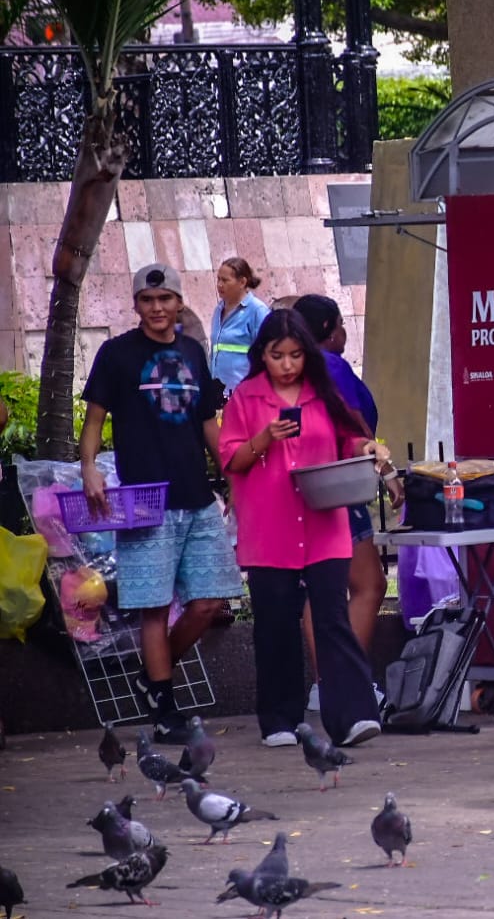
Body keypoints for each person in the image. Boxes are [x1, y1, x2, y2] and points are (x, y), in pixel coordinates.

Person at [80, 263, 241, 743]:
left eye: (165, 299)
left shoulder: (194, 351)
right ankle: (164, 705)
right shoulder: (115, 354)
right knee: (153, 608)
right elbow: (93, 420)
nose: (156, 309)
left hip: (196, 496)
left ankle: (153, 677)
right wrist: (89, 467)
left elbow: (209, 422)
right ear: (135, 306)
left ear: (178, 304)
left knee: (209, 601)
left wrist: (231, 473)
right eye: (147, 301)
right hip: (145, 501)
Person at [219, 310, 389, 748]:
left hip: (323, 523)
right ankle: (279, 718)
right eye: (278, 356)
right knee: (275, 623)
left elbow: (348, 439)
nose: (288, 365)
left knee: (333, 619)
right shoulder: (245, 398)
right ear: (263, 355)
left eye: (295, 355)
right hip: (270, 527)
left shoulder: (323, 392)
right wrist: (265, 439)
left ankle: (352, 715)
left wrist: (367, 446)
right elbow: (231, 460)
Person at [292, 295, 393, 711]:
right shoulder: (330, 365)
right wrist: (384, 470)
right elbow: (353, 421)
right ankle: (347, 680)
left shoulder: (284, 374)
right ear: (332, 328)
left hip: (302, 484)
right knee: (369, 583)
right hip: (339, 483)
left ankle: (325, 683)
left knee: (321, 590)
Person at [210, 257, 270, 396]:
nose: (219, 285)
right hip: (219, 394)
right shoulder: (218, 309)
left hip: (245, 394)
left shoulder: (257, 311)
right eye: (218, 279)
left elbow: (267, 354)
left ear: (242, 282)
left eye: (225, 280)